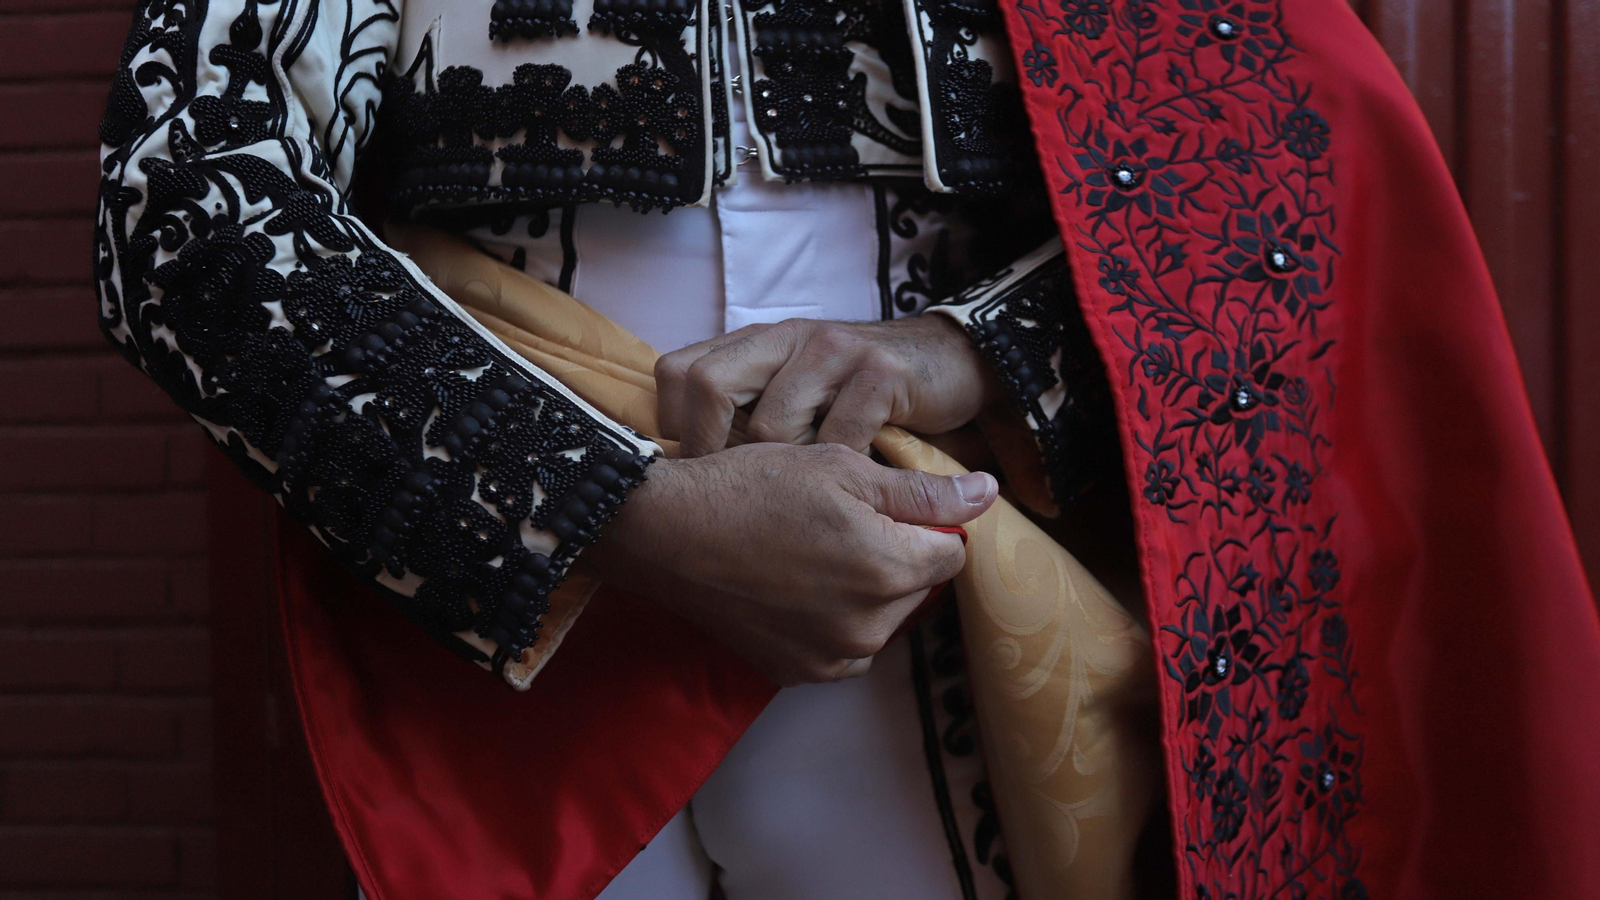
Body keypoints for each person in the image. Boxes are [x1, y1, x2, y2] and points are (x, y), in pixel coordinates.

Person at [94, 0, 1600, 898]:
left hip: (953, 576)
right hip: (500, 625)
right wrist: (614, 515)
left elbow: (1264, 180)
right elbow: (182, 206)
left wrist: (962, 350)